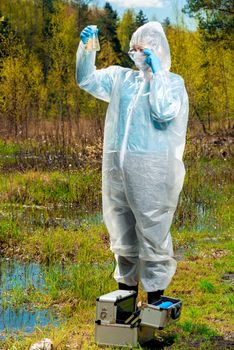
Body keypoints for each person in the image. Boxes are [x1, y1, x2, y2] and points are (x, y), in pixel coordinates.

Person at [76, 22, 189, 304]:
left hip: (152, 170)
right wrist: (87, 48)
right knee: (122, 232)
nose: (138, 52)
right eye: (135, 47)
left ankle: (155, 301)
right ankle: (125, 300)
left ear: (159, 49)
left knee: (152, 233)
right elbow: (86, 79)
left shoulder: (172, 83)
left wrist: (158, 74)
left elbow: (163, 111)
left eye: (145, 48)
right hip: (116, 170)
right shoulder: (121, 79)